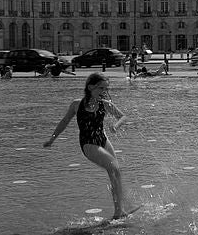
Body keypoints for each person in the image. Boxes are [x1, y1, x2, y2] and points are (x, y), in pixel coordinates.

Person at [43, 72, 136, 220]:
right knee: (114, 167)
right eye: (101, 88)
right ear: (90, 87)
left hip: (103, 140)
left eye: (107, 89)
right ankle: (119, 212)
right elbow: (64, 121)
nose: (105, 92)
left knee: (115, 172)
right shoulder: (76, 104)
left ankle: (119, 211)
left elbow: (123, 116)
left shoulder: (105, 104)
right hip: (88, 144)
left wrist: (116, 126)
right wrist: (52, 139)